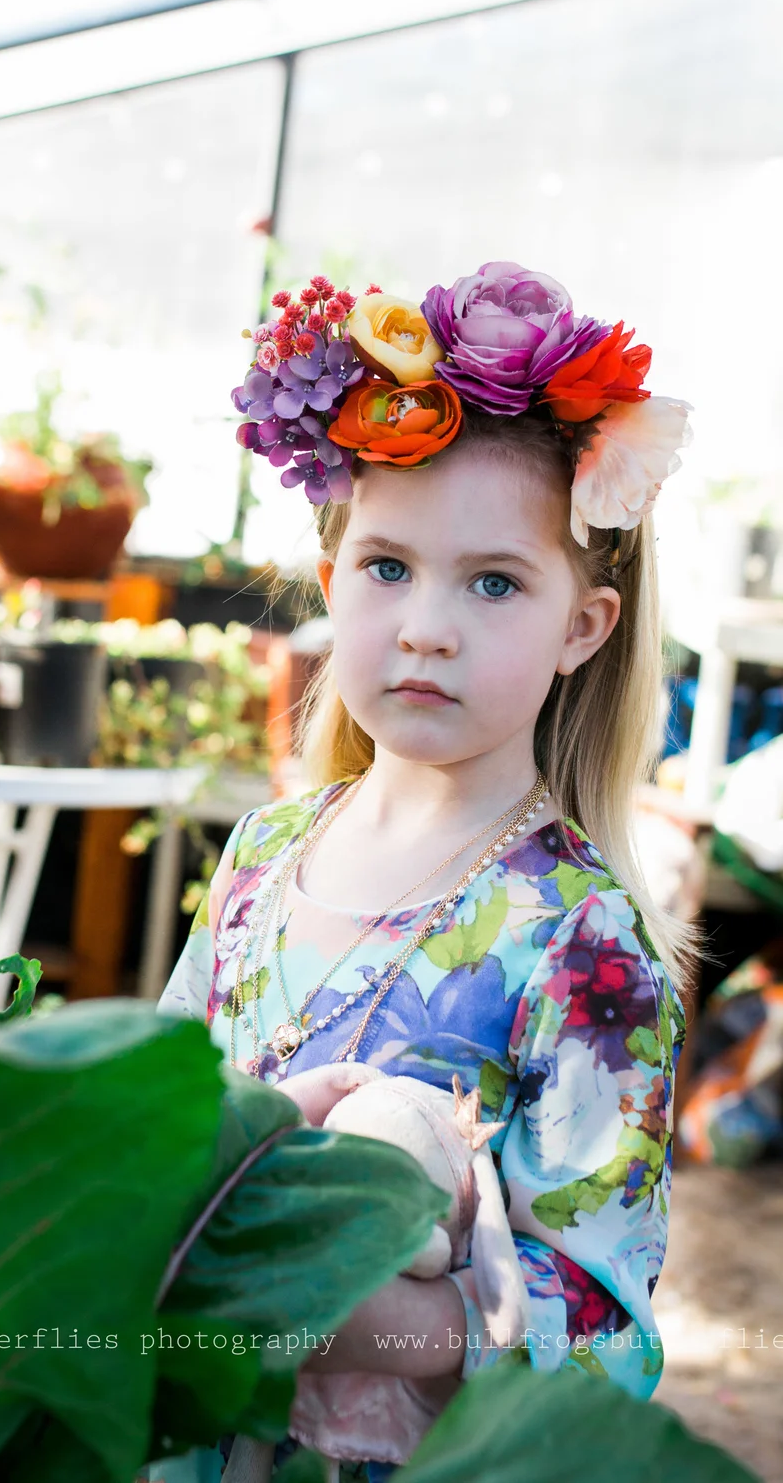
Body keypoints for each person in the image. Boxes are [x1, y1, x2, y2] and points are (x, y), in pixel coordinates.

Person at [154, 263, 696, 1477]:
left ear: (581, 628)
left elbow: (601, 1328)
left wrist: (342, 1322)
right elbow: (163, 1109)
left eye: (493, 582)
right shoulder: (263, 852)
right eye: (387, 567)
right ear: (331, 575)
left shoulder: (578, 938)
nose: (425, 626)